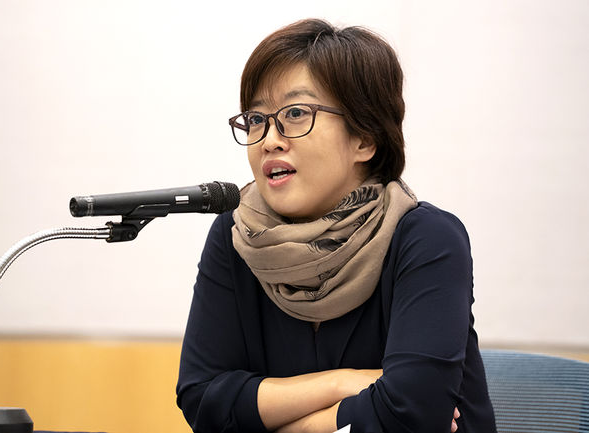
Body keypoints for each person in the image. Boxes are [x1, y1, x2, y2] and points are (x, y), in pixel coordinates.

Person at [176, 18, 497, 433]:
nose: (269, 139)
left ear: (365, 138)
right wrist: (344, 383)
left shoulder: (427, 239)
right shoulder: (237, 235)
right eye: (256, 118)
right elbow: (202, 400)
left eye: (295, 113)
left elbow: (412, 411)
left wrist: (274, 420)